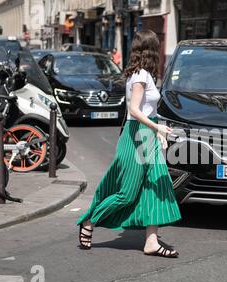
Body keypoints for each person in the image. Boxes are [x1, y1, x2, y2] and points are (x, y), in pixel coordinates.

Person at [77, 30, 181, 258]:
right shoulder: (141, 75)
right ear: (151, 50)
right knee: (127, 193)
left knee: (156, 185)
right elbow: (133, 110)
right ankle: (89, 221)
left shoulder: (145, 75)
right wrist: (157, 128)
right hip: (137, 137)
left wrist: (158, 132)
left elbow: (148, 110)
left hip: (148, 135)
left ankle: (151, 242)